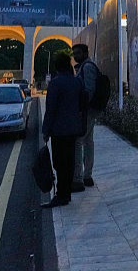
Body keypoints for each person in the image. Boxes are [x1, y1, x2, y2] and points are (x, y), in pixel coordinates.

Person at [41, 51, 86, 208]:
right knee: (69, 162)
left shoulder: (56, 83)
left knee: (59, 163)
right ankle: (66, 193)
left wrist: (45, 130)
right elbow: (83, 103)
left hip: (59, 130)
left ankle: (61, 195)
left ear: (57, 67)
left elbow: (50, 109)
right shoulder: (77, 82)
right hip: (73, 129)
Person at [72, 43, 99, 190]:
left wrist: (81, 108)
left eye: (78, 53)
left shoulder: (87, 67)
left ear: (85, 52)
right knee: (88, 142)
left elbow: (89, 90)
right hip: (88, 111)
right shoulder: (84, 66)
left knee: (78, 142)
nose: (75, 56)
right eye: (74, 53)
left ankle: (78, 178)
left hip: (86, 111)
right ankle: (87, 176)